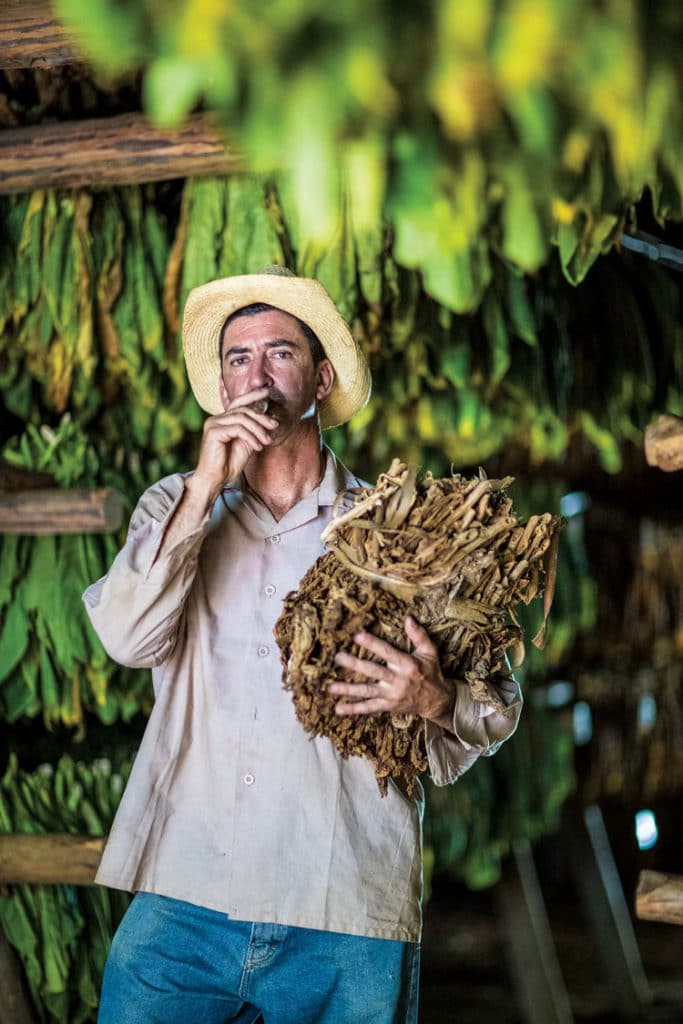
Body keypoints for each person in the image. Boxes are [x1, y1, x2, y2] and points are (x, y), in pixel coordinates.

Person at [83, 266, 522, 1024]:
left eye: (279, 354)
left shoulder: (397, 531)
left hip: (341, 901)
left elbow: (498, 705)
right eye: (237, 358)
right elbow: (126, 637)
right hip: (184, 894)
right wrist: (203, 484)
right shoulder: (174, 505)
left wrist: (434, 698)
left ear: (319, 379)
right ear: (221, 388)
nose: (256, 376)